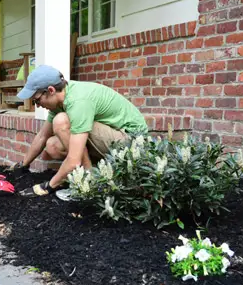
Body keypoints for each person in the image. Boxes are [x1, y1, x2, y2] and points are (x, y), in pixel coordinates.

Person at [10, 64, 148, 197]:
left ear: (51, 90)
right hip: (110, 139)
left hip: (131, 142)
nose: (38, 106)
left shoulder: (78, 101)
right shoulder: (60, 101)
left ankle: (88, 179)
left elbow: (74, 159)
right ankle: (93, 171)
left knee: (61, 121)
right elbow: (42, 136)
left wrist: (47, 187)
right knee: (52, 145)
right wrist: (23, 165)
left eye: (37, 100)